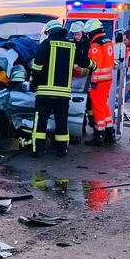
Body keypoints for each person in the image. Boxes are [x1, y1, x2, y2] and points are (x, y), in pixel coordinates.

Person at [30, 19, 93, 157]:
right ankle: (62, 150)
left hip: (45, 92)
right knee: (62, 122)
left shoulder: (46, 43)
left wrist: (33, 82)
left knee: (40, 122)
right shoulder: (72, 46)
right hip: (63, 94)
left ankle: (38, 150)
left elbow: (37, 65)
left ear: (50, 31)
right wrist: (94, 66)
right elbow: (84, 61)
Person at [84, 19, 116, 145]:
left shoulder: (96, 44)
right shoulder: (108, 42)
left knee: (97, 108)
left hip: (99, 81)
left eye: (88, 33)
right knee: (104, 106)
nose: (87, 36)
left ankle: (99, 134)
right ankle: (109, 133)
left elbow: (95, 65)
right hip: (107, 79)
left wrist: (93, 81)